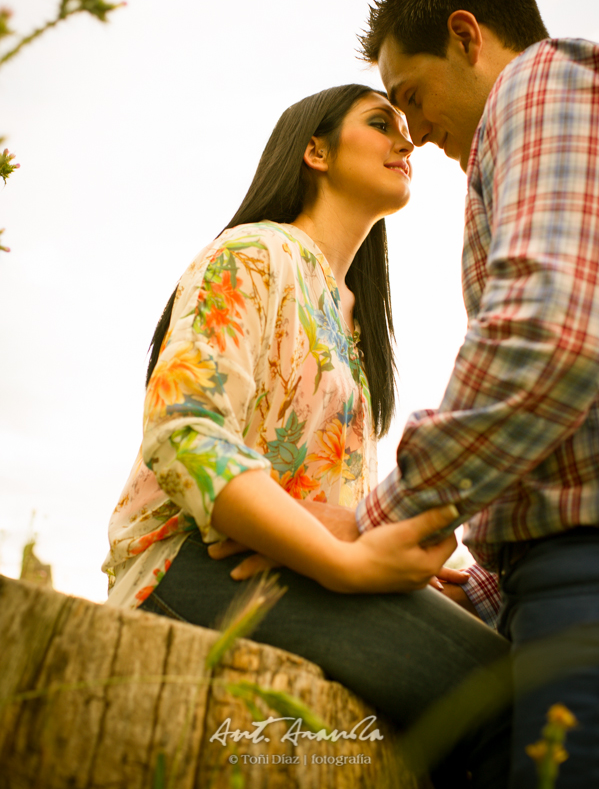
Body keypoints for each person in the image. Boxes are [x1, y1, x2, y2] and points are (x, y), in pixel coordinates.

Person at [102, 83, 511, 787]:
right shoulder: (253, 254)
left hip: (283, 564)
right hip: (187, 566)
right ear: (314, 151)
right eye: (380, 123)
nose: (406, 140)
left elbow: (319, 496)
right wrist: (341, 562)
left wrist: (367, 538)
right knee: (498, 701)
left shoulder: (353, 320)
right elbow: (184, 430)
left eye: (406, 128)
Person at [346, 0, 599, 789]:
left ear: (465, 35)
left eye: (408, 97)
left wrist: (379, 517)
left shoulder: (539, 85)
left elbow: (546, 340)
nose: (412, 132)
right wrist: (488, 587)